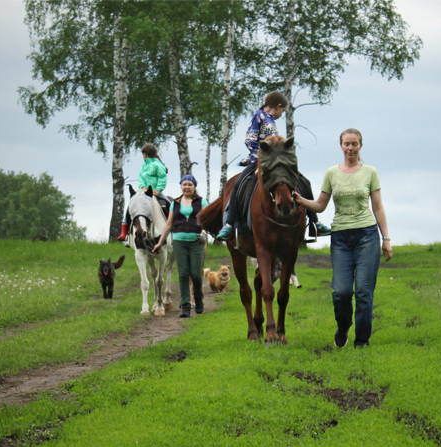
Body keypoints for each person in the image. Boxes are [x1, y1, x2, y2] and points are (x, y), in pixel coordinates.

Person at [294, 128, 392, 348]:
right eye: (347, 144)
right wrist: (300, 200)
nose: (350, 148)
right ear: (341, 146)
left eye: (354, 144)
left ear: (360, 146)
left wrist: (386, 238)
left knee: (364, 292)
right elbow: (320, 204)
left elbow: (378, 207)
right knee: (341, 291)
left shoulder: (370, 172)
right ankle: (343, 326)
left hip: (367, 235)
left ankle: (362, 341)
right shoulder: (331, 173)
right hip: (341, 238)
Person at [216, 91, 331, 240]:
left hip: (276, 162)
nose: (282, 114)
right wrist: (263, 154)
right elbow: (249, 139)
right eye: (282, 111)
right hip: (259, 161)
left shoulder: (271, 120)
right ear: (277, 106)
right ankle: (230, 225)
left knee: (304, 182)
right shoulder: (259, 116)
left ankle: (315, 223)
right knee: (238, 184)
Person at [152, 174, 209, 318]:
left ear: (194, 186)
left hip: (197, 241)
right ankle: (185, 305)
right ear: (181, 186)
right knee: (183, 274)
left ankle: (198, 298)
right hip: (179, 241)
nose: (187, 187)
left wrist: (203, 232)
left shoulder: (201, 202)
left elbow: (206, 221)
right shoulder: (175, 203)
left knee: (196, 274)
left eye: (190, 184)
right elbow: (169, 224)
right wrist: (160, 242)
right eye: (184, 184)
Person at [117, 143, 168, 242]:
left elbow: (162, 178)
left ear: (144, 154)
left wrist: (158, 189)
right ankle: (125, 234)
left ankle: (173, 230)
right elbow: (140, 178)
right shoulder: (143, 166)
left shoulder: (158, 165)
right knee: (130, 206)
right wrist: (143, 187)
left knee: (169, 204)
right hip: (144, 192)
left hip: (156, 192)